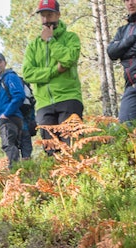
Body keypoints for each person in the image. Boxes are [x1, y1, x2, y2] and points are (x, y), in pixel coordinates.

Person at [22, 0, 84, 154]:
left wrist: (51, 41)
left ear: (58, 15)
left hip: (68, 98)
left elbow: (69, 59)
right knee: (51, 153)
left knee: (72, 148)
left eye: (49, 15)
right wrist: (54, 70)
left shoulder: (71, 38)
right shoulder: (33, 46)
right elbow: (28, 73)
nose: (45, 20)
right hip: (44, 105)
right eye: (42, 16)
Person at [0, 52, 26, 167]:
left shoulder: (9, 76)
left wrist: (6, 113)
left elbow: (19, 95)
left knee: (9, 145)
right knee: (12, 145)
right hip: (7, 118)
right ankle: (17, 171)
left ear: (5, 63)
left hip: (10, 118)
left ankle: (14, 173)